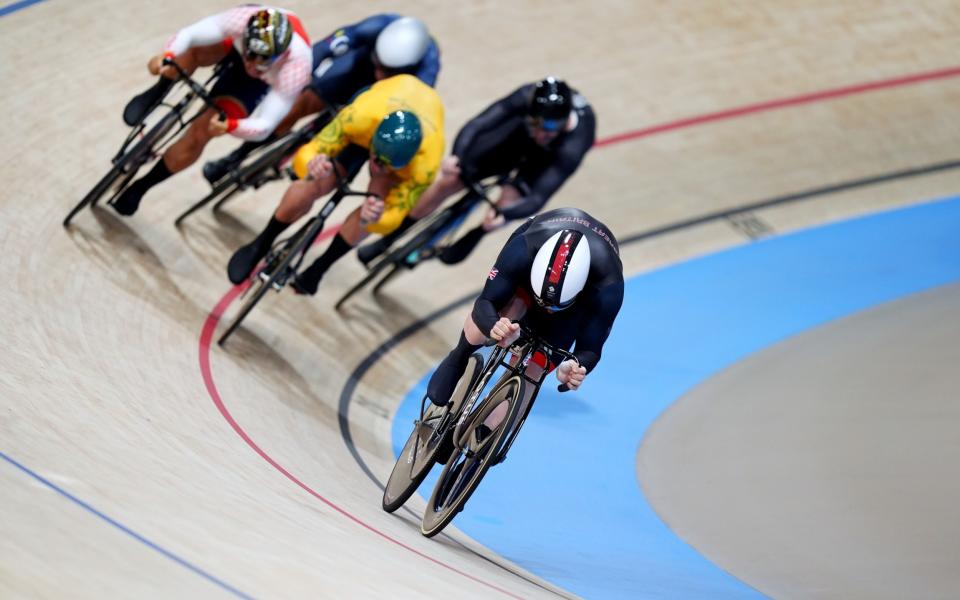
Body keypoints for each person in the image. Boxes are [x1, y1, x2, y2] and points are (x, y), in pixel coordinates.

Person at [225, 73, 444, 293]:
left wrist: (376, 216)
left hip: (410, 136)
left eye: (389, 165)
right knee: (316, 181)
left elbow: (393, 218)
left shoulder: (425, 166)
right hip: (370, 118)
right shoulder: (359, 117)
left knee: (373, 209)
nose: (380, 167)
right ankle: (262, 242)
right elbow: (309, 153)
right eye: (377, 160)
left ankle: (319, 268)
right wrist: (313, 164)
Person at [356, 77, 596, 267]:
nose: (541, 132)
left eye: (549, 128)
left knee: (506, 206)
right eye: (536, 123)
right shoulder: (526, 96)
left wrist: (504, 214)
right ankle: (389, 238)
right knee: (449, 181)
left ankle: (476, 233)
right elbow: (479, 124)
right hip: (515, 139)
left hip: (543, 161)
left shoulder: (573, 145)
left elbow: (538, 196)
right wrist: (458, 156)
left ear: (564, 122)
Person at [423, 207, 624, 421]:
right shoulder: (523, 248)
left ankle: (483, 437)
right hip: (527, 273)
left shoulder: (608, 286)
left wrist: (575, 366)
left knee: (536, 367)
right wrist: (494, 325)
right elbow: (486, 301)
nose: (546, 308)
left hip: (576, 305)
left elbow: (591, 349)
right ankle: (461, 354)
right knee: (505, 313)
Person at [111, 6, 313, 217]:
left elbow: (265, 125)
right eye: (251, 54)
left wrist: (231, 125)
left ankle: (141, 187)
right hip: (233, 49)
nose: (253, 64)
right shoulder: (241, 20)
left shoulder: (296, 68)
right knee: (191, 53)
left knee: (202, 131)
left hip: (258, 83)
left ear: (282, 55)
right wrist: (167, 56)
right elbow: (189, 35)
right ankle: (159, 89)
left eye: (263, 60)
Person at [202, 14, 440, 185]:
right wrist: (301, 75)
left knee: (352, 131)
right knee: (298, 105)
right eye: (379, 64)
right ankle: (234, 158)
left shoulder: (425, 73)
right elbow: (322, 49)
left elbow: (405, 115)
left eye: (387, 70)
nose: (380, 72)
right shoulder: (375, 27)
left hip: (387, 96)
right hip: (354, 71)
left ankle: (306, 157)